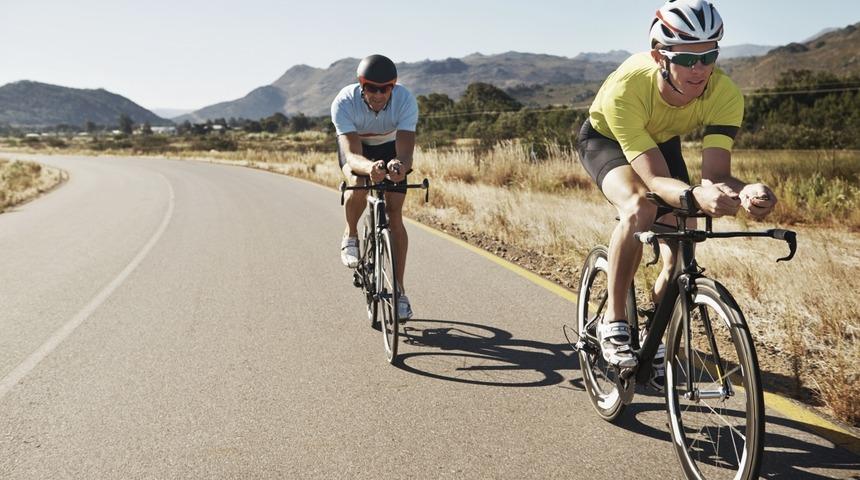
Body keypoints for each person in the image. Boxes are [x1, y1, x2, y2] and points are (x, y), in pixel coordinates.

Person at [575, 0, 777, 376]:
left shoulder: (725, 93)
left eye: (708, 55)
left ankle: (653, 332)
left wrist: (747, 190)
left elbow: (716, 173)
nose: (699, 69)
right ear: (659, 56)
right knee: (640, 207)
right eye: (686, 59)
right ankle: (614, 323)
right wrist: (694, 194)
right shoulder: (628, 87)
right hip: (606, 140)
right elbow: (653, 182)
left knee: (682, 244)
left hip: (660, 140)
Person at [331, 54, 419, 320]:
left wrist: (398, 168)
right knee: (358, 181)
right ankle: (351, 234)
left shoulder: (405, 100)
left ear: (393, 86)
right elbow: (352, 155)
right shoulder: (344, 102)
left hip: (390, 146)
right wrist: (370, 168)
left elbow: (405, 152)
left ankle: (399, 292)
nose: (379, 94)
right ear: (361, 85)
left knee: (395, 213)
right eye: (372, 88)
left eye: (385, 88)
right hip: (357, 148)